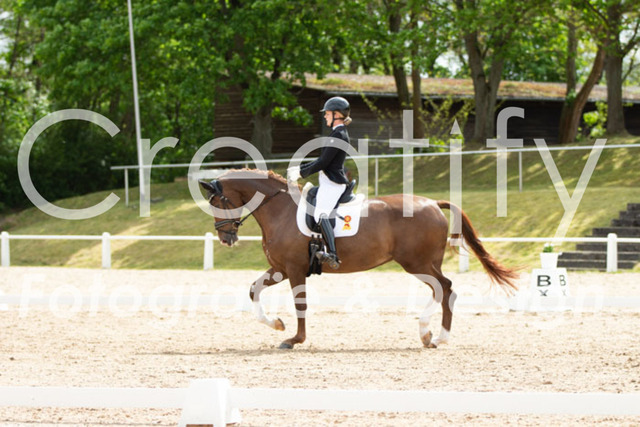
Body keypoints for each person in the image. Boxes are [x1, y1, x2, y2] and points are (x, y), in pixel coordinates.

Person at [287, 96, 352, 269]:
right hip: (327, 182)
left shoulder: (339, 135)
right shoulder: (336, 133)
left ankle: (332, 254)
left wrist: (301, 173)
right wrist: (300, 168)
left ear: (336, 114)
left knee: (320, 214)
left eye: (327, 114)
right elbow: (321, 160)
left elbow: (323, 162)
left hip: (333, 184)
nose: (325, 116)